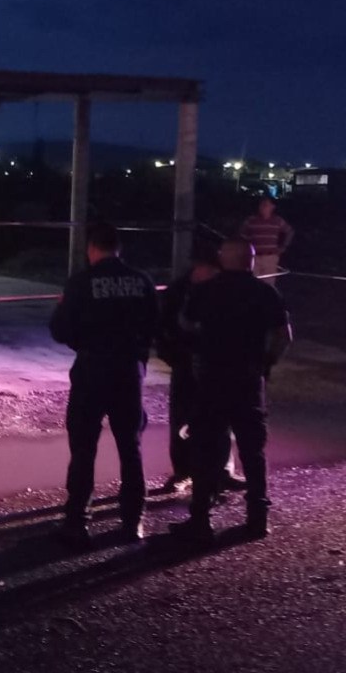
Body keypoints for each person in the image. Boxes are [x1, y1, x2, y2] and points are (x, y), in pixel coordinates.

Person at [170, 238, 292, 543]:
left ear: (224, 259)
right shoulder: (266, 293)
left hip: (212, 380)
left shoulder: (206, 291)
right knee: (253, 450)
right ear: (250, 262)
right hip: (249, 381)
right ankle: (257, 518)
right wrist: (265, 364)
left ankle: (201, 520)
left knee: (206, 449)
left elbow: (185, 323)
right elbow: (283, 335)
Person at [50, 222, 158, 547]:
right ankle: (133, 521)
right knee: (131, 448)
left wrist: (83, 341)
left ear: (92, 249)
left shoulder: (82, 282)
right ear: (119, 249)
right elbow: (156, 324)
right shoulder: (141, 281)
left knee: (83, 448)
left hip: (91, 371)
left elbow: (60, 329)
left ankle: (78, 521)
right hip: (128, 373)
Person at [157, 241, 247, 494]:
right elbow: (166, 326)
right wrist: (173, 355)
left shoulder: (214, 290)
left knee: (219, 420)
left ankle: (221, 471)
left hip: (214, 365)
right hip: (188, 363)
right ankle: (185, 471)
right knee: (184, 418)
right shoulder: (181, 291)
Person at [239, 196, 294, 286]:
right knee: (253, 284)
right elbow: (241, 236)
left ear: (272, 207)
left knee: (269, 285)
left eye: (266, 205)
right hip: (254, 258)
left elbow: (289, 231)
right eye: (262, 205)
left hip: (270, 257)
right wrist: (246, 250)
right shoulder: (251, 220)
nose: (263, 207)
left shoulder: (278, 220)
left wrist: (283, 247)